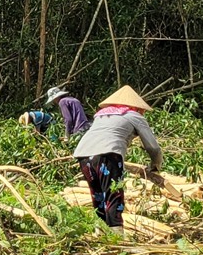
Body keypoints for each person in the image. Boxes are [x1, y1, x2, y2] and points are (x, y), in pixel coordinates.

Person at [70, 85, 165, 231]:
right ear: (137, 107)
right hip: (108, 155)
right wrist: (155, 165)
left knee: (98, 196)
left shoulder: (102, 115)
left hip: (83, 155)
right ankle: (117, 236)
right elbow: (153, 147)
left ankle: (100, 233)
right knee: (114, 194)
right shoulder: (134, 115)